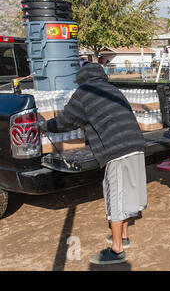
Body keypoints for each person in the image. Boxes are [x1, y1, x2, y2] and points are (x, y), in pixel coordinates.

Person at [39, 63, 147, 264]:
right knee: (127, 193)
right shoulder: (111, 89)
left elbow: (65, 122)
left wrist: (43, 125)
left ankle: (116, 251)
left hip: (117, 149)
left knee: (115, 196)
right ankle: (123, 237)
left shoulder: (84, 92)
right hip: (136, 143)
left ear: (81, 78)